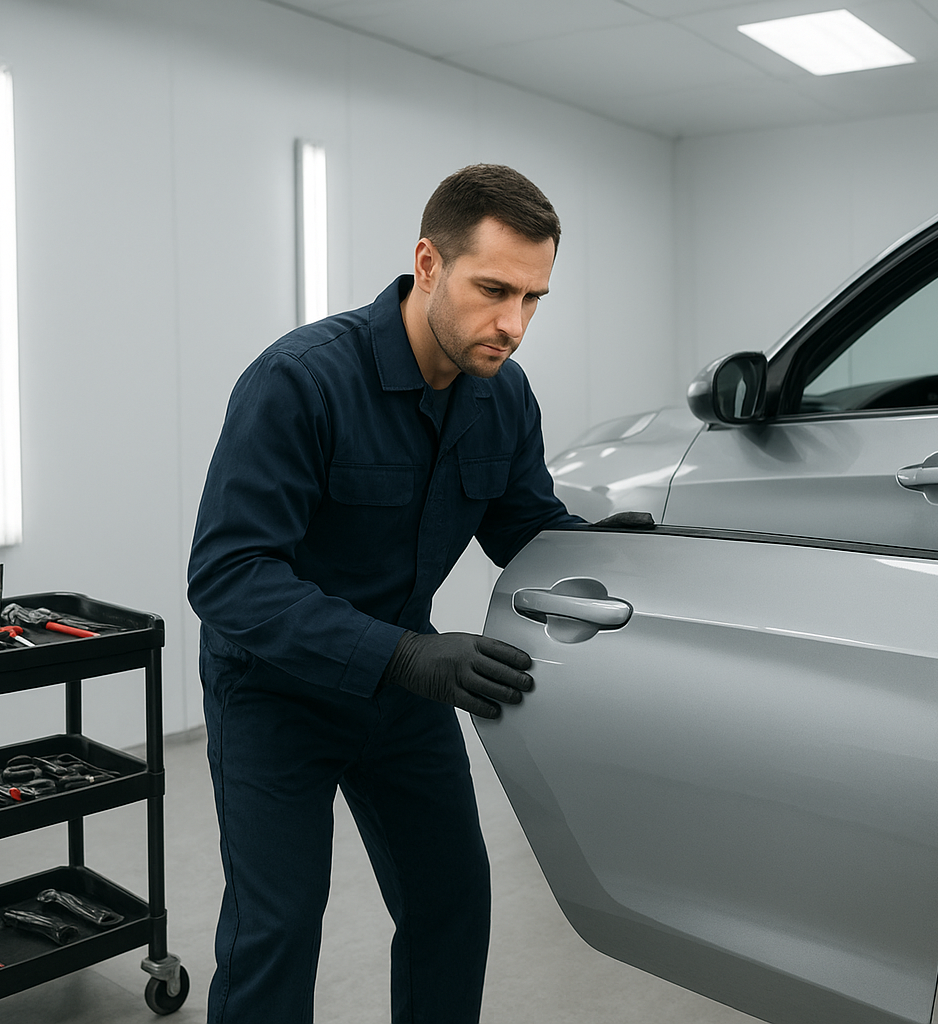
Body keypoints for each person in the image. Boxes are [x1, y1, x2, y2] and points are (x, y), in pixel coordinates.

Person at [187, 163, 581, 1023]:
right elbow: (227, 575)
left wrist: (635, 560)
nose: (512, 325)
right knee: (276, 930)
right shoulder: (299, 382)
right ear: (428, 264)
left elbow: (530, 533)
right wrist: (403, 654)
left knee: (452, 904)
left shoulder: (503, 397)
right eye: (493, 289)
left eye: (534, 298)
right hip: (274, 692)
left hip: (402, 688)